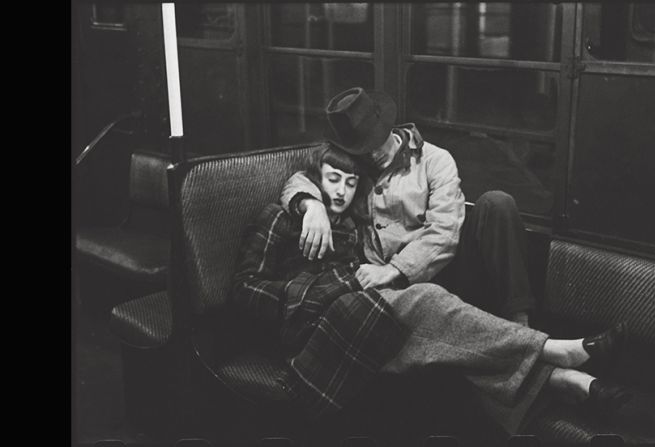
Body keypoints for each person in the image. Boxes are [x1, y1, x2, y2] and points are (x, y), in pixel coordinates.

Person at [233, 144, 630, 433]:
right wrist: (310, 210)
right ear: (317, 180)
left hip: (358, 311)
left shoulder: (354, 227)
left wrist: (360, 278)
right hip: (307, 331)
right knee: (428, 302)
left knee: (441, 346)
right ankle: (553, 352)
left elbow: (437, 235)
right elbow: (245, 289)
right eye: (332, 180)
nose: (340, 191)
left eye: (350, 183)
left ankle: (563, 380)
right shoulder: (282, 219)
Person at [280, 87, 537, 326]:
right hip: (394, 288)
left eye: (375, 142)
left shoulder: (435, 160)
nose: (370, 154)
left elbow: (444, 232)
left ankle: (520, 320)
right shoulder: (353, 161)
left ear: (387, 127)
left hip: (445, 268)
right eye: (362, 148)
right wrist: (311, 205)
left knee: (497, 203)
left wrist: (393, 270)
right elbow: (304, 177)